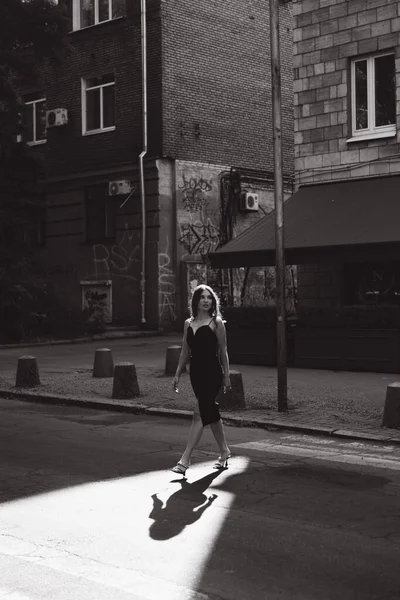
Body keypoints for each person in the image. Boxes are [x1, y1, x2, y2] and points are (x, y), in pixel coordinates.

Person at [171, 284, 232, 475]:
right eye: (203, 297)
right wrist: (177, 373)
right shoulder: (188, 323)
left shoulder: (217, 323)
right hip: (196, 373)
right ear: (196, 301)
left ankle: (185, 459)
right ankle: (224, 451)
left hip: (212, 372)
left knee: (199, 413)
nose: (206, 300)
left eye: (209, 297)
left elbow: (223, 351)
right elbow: (185, 351)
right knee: (210, 412)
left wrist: (227, 376)